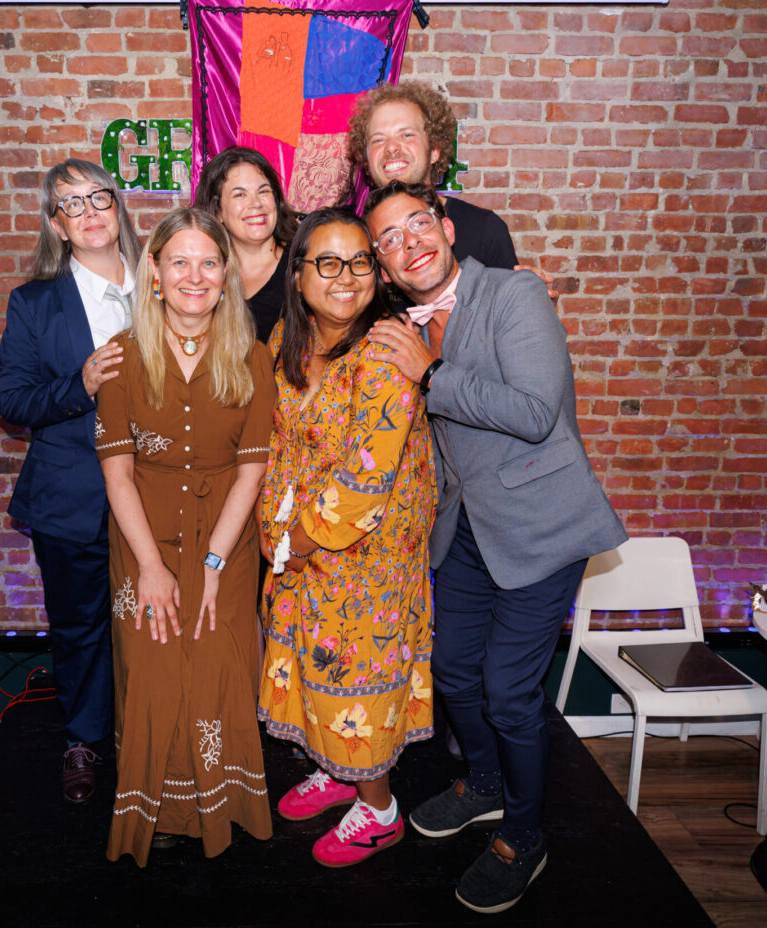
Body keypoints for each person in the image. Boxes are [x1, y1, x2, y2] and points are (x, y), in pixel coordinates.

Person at [364, 182, 627, 912]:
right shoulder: (402, 324)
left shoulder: (515, 295)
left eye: (418, 223)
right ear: (383, 265)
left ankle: (524, 835)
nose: (409, 242)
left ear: (446, 229)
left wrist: (431, 375)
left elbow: (537, 413)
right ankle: (484, 784)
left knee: (508, 691)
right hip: (468, 529)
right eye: (389, 239)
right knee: (452, 671)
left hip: (543, 525)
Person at [257, 208, 437, 868]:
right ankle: (338, 773)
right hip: (300, 549)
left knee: (356, 678)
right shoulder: (287, 339)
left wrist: (294, 543)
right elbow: (275, 439)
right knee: (313, 670)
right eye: (327, 262)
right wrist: (273, 528)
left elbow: (367, 477)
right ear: (297, 273)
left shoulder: (386, 351)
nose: (346, 277)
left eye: (360, 261)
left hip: (368, 559)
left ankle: (380, 810)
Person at [95, 207, 275, 867]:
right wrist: (151, 566)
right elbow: (117, 474)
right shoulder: (120, 359)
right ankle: (162, 812)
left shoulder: (253, 356)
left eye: (208, 262)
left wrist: (215, 564)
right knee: (155, 670)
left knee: (219, 668)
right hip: (143, 536)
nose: (194, 277)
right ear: (155, 272)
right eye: (179, 262)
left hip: (226, 536)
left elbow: (252, 471)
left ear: (226, 275)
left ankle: (220, 806)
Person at [0, 158, 142, 804]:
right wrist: (79, 384)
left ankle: (150, 734)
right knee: (80, 627)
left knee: (155, 623)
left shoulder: (167, 280)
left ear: (117, 206)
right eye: (70, 205)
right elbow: (11, 401)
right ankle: (84, 737)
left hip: (161, 493)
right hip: (71, 498)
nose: (88, 213)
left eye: (97, 198)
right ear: (56, 226)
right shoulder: (33, 303)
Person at [348, 81, 558, 300]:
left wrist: (538, 305)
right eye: (378, 139)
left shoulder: (485, 230)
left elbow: (512, 309)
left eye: (407, 135)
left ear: (434, 150)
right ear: (367, 160)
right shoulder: (356, 239)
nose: (391, 147)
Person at [193, 146, 300, 343]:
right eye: (240, 195)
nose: (256, 203)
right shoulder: (203, 274)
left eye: (263, 191)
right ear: (217, 211)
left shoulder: (302, 264)